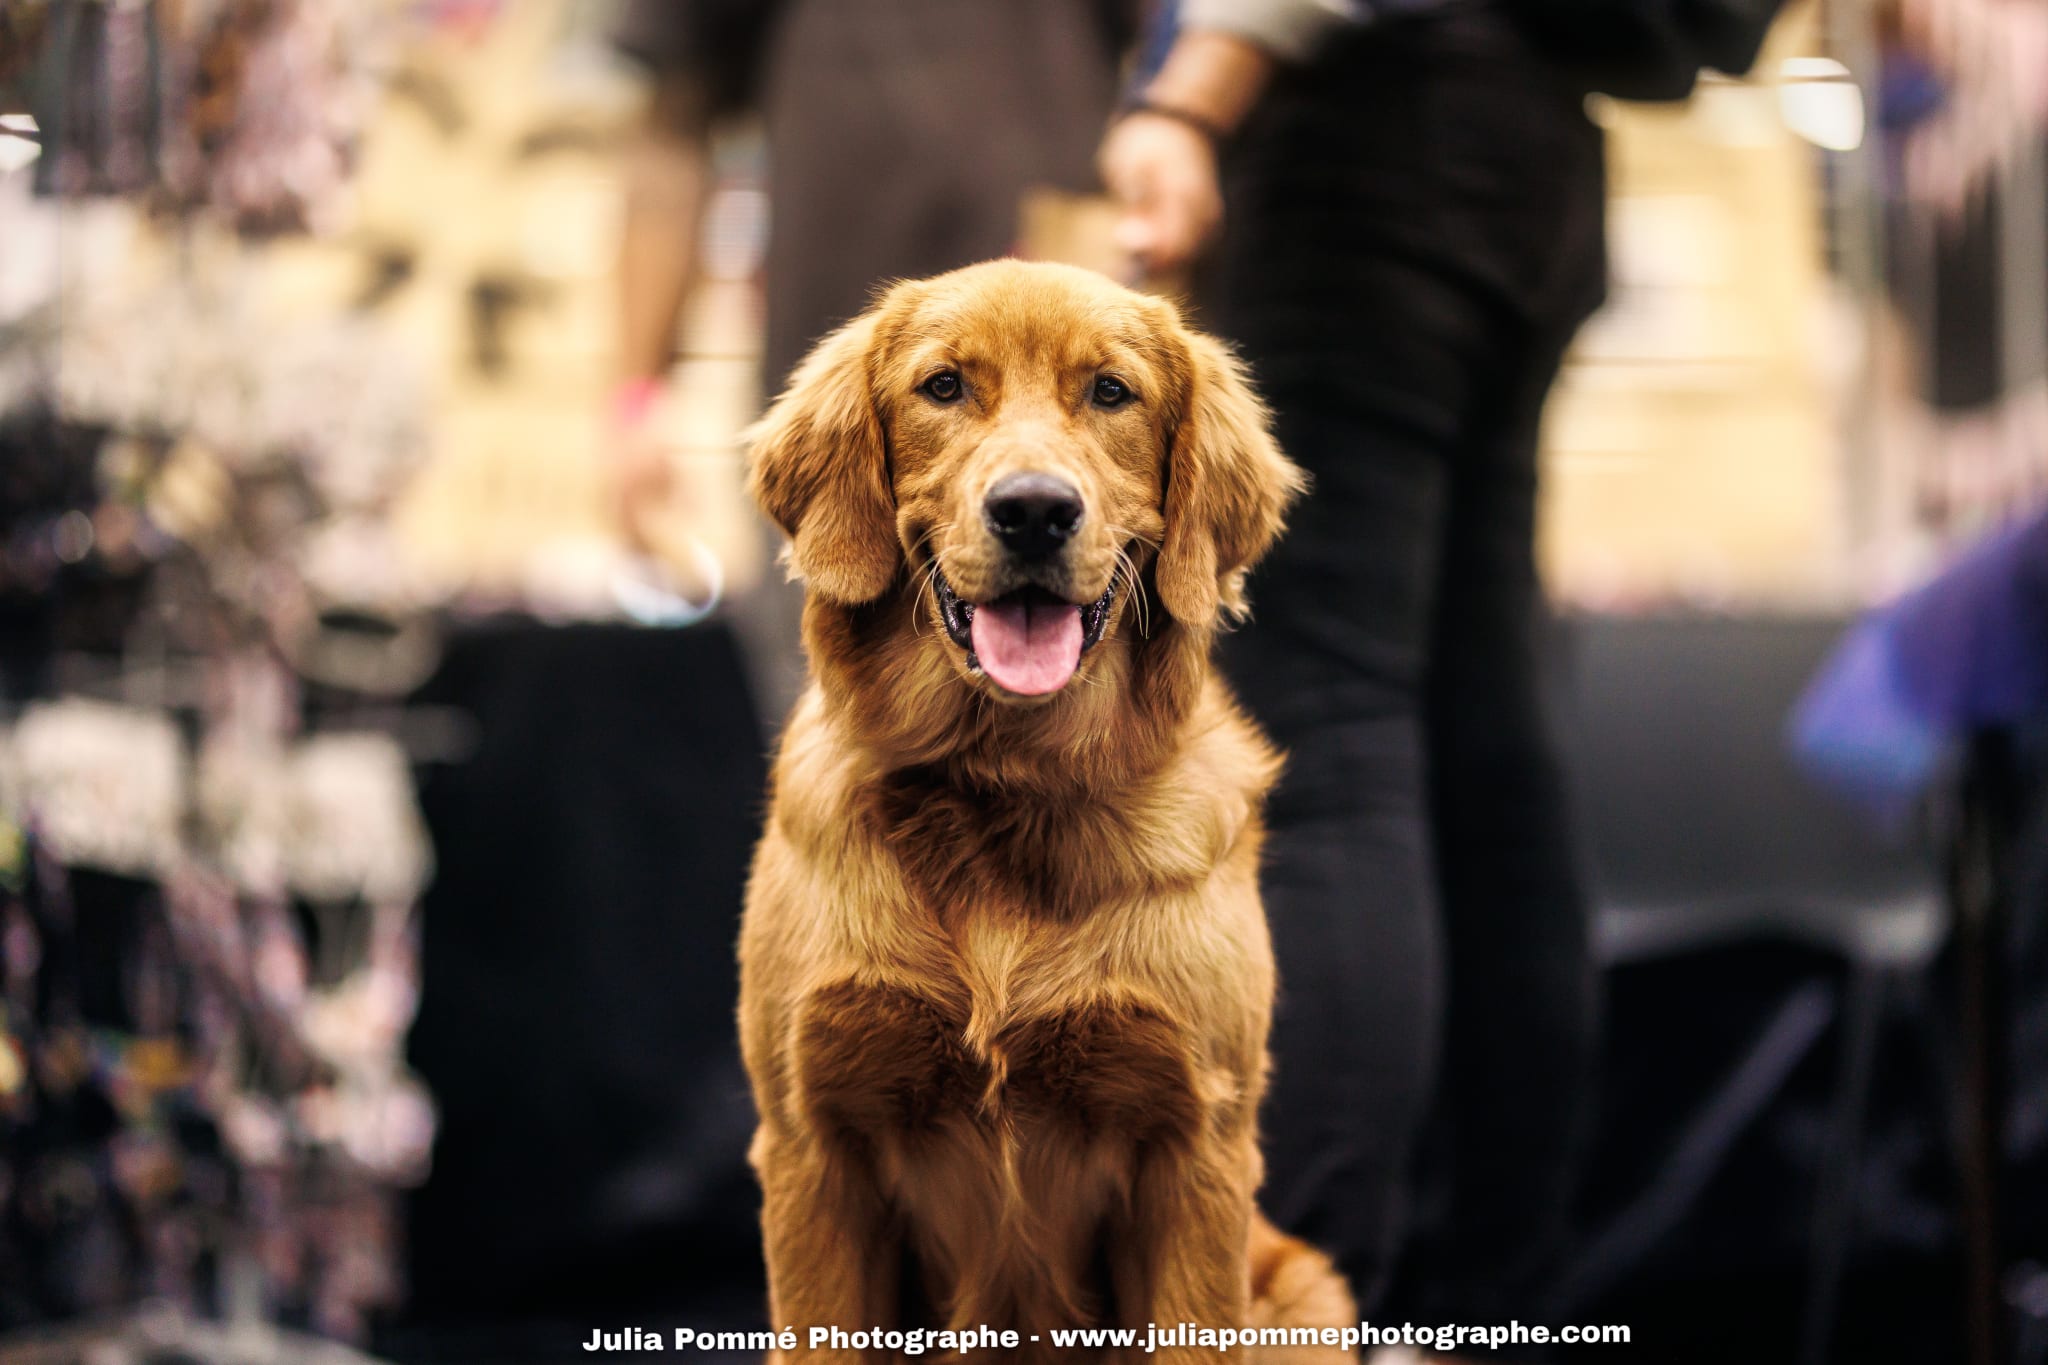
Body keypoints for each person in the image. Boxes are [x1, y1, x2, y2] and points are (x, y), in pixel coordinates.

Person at [1100, 0, 1610, 1322]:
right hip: (1528, 132)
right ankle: (1487, 1316)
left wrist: (1193, 92)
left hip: (1357, 126)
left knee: (1320, 749)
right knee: (1482, 746)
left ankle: (1298, 1319)